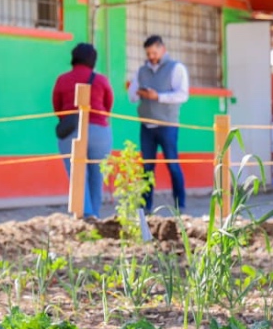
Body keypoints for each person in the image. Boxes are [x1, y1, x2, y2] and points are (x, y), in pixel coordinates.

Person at [127, 34, 190, 213]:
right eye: (148, 53)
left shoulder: (176, 68)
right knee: (147, 166)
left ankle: (180, 205)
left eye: (154, 52)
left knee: (172, 165)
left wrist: (158, 97)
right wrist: (139, 93)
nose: (151, 56)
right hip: (146, 126)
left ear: (162, 49)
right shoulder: (141, 71)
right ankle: (145, 207)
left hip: (168, 125)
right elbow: (131, 95)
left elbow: (183, 95)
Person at [52, 43, 114, 218]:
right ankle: (95, 215)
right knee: (97, 176)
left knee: (77, 174)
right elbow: (108, 104)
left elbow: (57, 108)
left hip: (71, 131)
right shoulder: (101, 80)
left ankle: (85, 215)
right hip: (99, 131)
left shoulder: (62, 79)